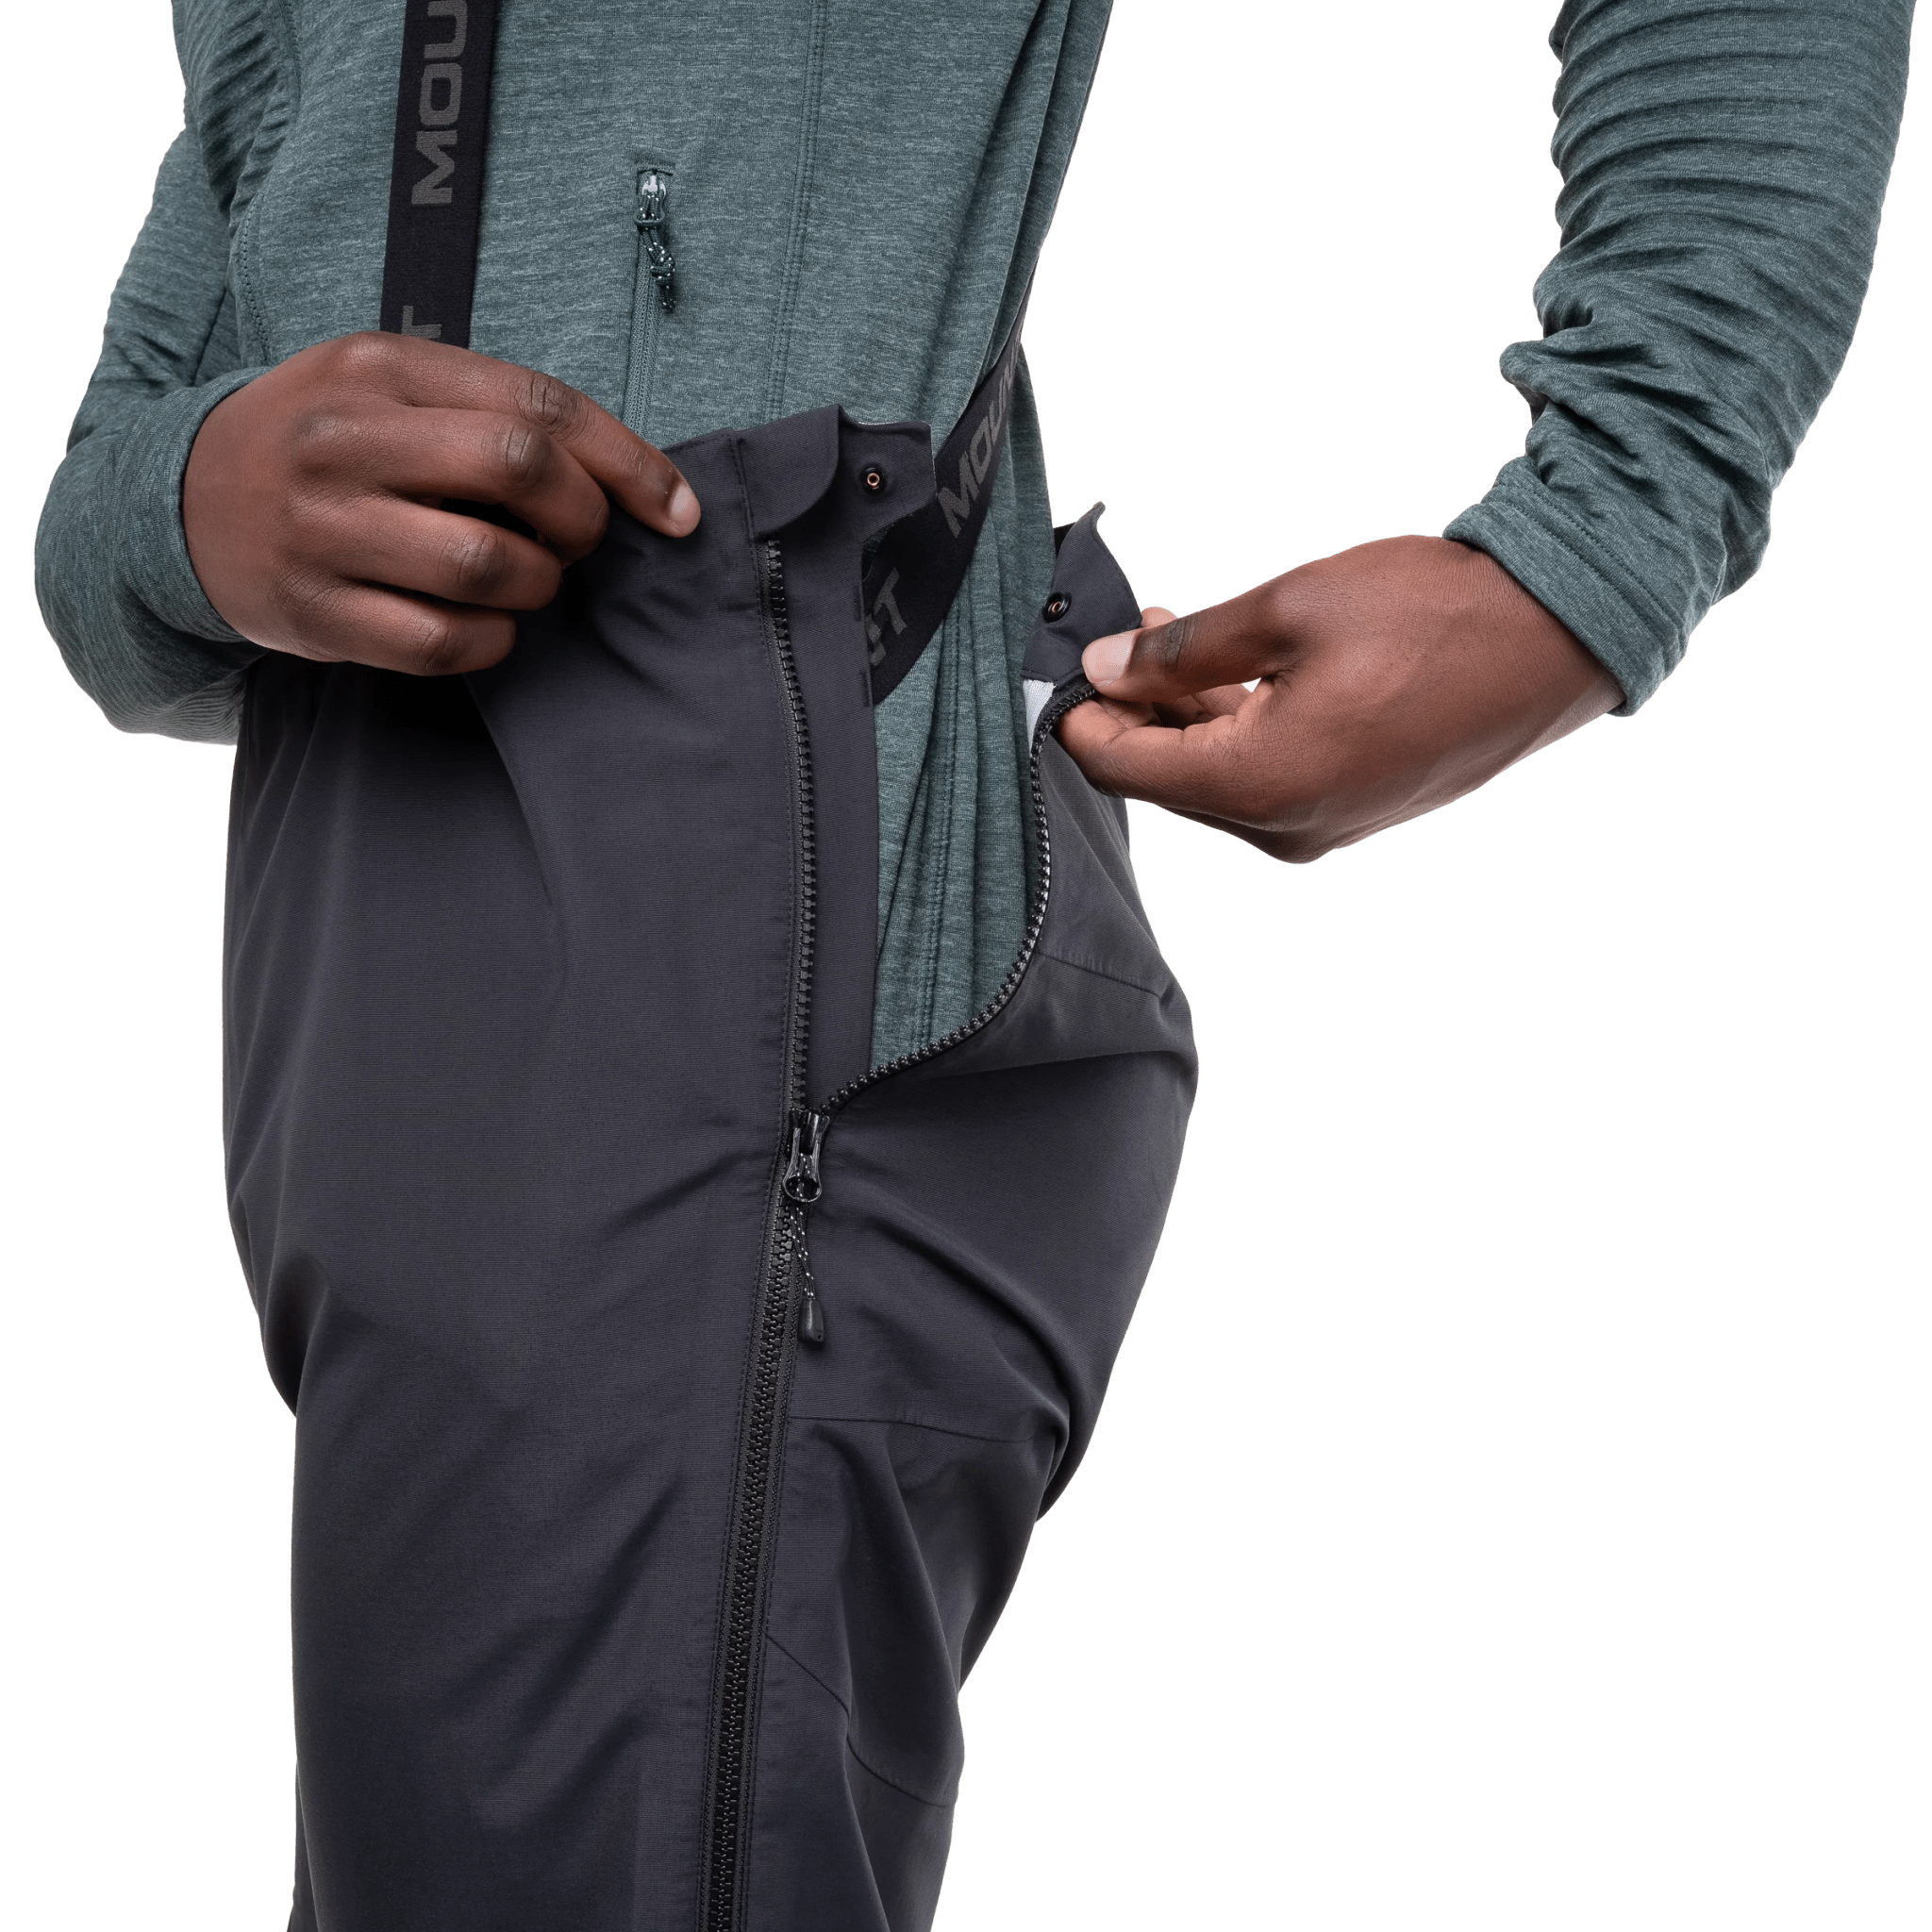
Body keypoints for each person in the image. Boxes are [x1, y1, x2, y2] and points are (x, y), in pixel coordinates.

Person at [31, 3, 1913, 1928]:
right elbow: (130, 468)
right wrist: (187, 502)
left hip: (743, 927)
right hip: (373, 968)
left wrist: (1591, 547)